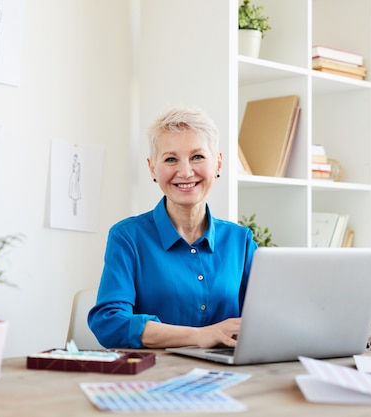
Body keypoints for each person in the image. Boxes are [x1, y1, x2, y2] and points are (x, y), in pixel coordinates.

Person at [88, 106, 257, 349]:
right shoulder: (128, 237)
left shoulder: (241, 241)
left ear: (218, 163)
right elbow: (110, 323)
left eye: (198, 157)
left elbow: (265, 319)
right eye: (170, 159)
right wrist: (201, 336)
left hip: (228, 374)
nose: (186, 172)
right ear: (152, 168)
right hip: (153, 375)